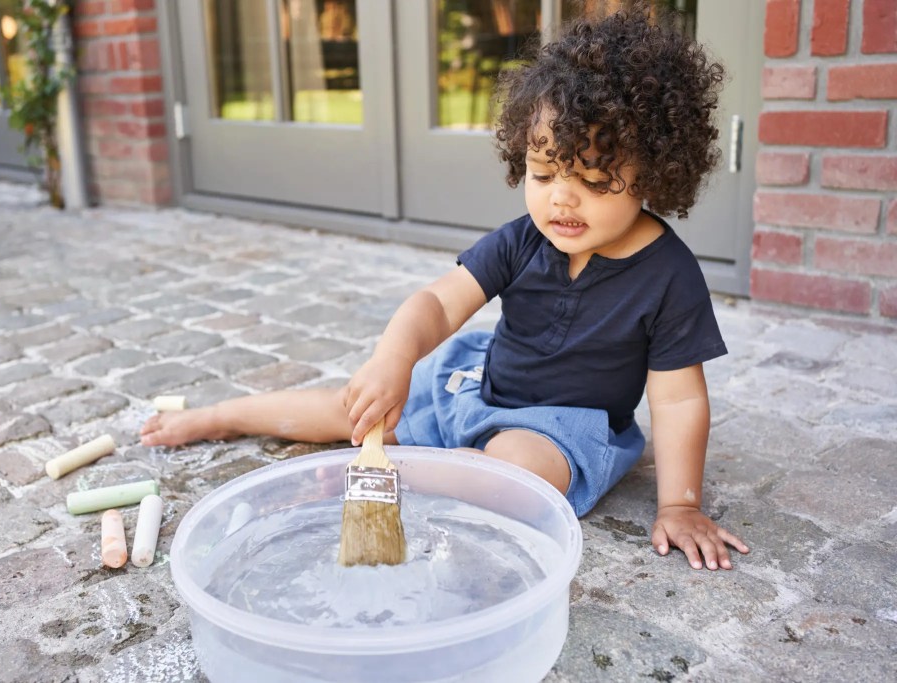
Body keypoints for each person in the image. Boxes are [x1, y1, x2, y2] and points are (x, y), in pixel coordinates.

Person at [141, 4, 749, 571]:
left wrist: (679, 504)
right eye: (543, 174)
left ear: (655, 170)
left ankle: (395, 474)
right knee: (357, 406)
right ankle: (220, 416)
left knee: (514, 472)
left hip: (560, 428)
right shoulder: (522, 240)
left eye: (592, 180)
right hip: (479, 385)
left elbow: (678, 401)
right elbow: (438, 301)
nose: (562, 196)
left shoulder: (668, 275)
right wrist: (393, 359)